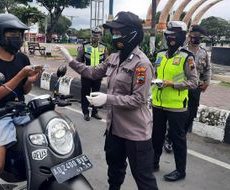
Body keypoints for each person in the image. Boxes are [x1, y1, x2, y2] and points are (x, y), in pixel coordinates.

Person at [59, 11, 158, 190]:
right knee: (114, 170)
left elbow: (139, 99)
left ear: (132, 33)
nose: (114, 36)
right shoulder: (114, 57)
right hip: (114, 128)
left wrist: (107, 98)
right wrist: (70, 60)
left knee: (144, 178)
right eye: (113, 32)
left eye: (118, 32)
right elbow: (92, 72)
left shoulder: (141, 64)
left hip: (135, 131)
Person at [0, 13, 41, 190]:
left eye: (19, 34)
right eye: (12, 33)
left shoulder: (22, 59)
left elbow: (24, 91)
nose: (17, 38)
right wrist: (21, 74)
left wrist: (29, 80)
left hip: (20, 113)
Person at [151, 21, 198, 181]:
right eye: (168, 35)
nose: (171, 39)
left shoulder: (187, 57)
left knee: (178, 139)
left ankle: (180, 171)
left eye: (174, 36)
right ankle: (154, 162)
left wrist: (173, 84)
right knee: (156, 136)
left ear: (182, 37)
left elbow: (193, 82)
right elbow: (154, 73)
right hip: (158, 104)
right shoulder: (159, 54)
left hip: (177, 106)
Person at [76, 26, 107, 121]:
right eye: (94, 35)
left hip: (97, 75)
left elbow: (106, 61)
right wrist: (83, 70)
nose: (96, 37)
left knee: (96, 94)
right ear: (91, 35)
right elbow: (78, 61)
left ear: (101, 36)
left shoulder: (103, 47)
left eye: (98, 35)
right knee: (85, 94)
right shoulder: (84, 46)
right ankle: (85, 112)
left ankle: (94, 112)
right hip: (86, 75)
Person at [184, 25, 211, 133]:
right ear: (190, 36)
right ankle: (170, 136)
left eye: (200, 37)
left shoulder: (203, 52)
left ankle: (183, 133)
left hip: (196, 88)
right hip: (182, 86)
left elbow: (208, 69)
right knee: (178, 112)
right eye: (195, 36)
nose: (197, 39)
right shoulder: (182, 50)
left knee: (191, 112)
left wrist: (207, 82)